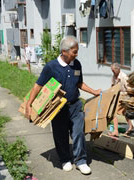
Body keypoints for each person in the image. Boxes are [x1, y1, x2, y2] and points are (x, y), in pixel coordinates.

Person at [25, 36, 101, 175]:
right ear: (64, 51)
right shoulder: (51, 67)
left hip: (75, 105)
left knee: (78, 132)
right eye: (74, 51)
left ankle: (81, 161)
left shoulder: (76, 64)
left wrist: (93, 91)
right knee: (60, 134)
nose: (76, 54)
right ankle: (65, 159)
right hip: (58, 108)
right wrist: (29, 105)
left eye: (77, 51)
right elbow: (38, 86)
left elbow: (79, 83)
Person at [108, 62, 134, 137]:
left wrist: (129, 99)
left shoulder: (124, 77)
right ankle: (131, 127)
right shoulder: (113, 76)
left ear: (118, 69)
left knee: (114, 112)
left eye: (113, 70)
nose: (112, 72)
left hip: (124, 97)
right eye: (112, 70)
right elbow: (112, 86)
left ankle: (116, 131)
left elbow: (129, 89)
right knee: (122, 113)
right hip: (117, 97)